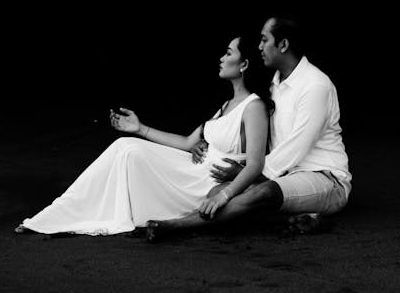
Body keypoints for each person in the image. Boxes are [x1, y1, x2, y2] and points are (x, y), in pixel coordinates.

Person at [15, 34, 269, 235]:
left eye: (228, 53)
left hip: (206, 182)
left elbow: (255, 164)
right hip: (192, 170)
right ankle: (59, 211)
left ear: (244, 64)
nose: (221, 58)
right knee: (125, 146)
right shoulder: (226, 106)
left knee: (128, 150)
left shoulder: (254, 107)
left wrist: (226, 194)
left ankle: (63, 213)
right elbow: (186, 143)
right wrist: (140, 129)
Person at [145, 15, 351, 240]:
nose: (259, 46)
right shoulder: (273, 85)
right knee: (217, 192)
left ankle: (177, 227)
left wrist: (246, 177)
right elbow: (247, 126)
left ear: (283, 45)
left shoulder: (315, 85)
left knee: (258, 193)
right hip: (284, 177)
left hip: (325, 179)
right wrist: (206, 141)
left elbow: (296, 148)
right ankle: (307, 217)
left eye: (264, 40)